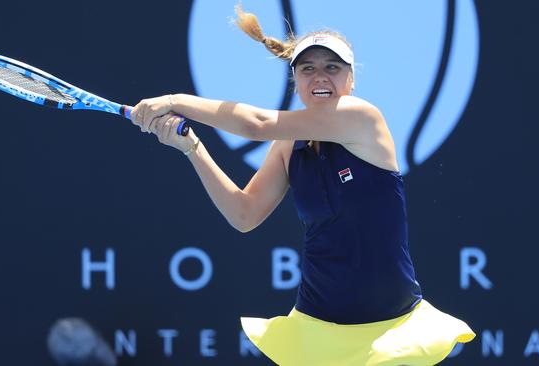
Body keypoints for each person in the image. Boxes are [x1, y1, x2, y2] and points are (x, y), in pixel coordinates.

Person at [130, 5, 475, 365]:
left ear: (351, 79)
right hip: (316, 330)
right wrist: (192, 148)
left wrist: (174, 101)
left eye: (332, 67)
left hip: (392, 332)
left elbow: (257, 124)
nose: (320, 77)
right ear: (295, 82)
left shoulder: (362, 118)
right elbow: (244, 214)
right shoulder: (287, 147)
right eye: (307, 69)